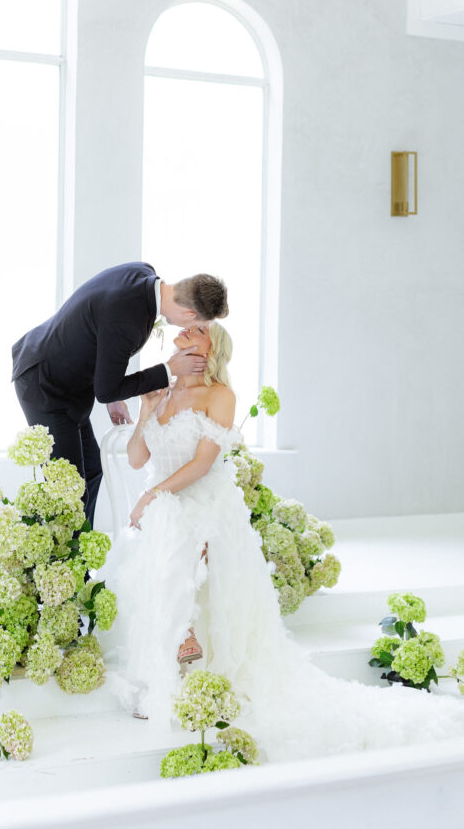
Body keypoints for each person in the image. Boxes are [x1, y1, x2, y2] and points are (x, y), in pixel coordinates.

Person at [98, 322, 464, 760]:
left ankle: (190, 658)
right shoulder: (162, 388)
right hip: (163, 504)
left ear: (210, 348)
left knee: (178, 533)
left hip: (203, 500)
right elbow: (138, 456)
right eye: (186, 325)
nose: (185, 329)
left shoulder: (220, 396)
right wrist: (145, 413)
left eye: (197, 329)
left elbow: (201, 465)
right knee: (165, 538)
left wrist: (152, 495)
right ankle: (170, 668)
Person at [11, 262, 228, 527]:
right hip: (45, 383)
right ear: (189, 312)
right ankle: (53, 562)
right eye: (198, 324)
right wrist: (168, 369)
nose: (188, 330)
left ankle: (79, 559)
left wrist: (114, 394)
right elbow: (105, 390)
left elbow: (99, 336)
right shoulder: (128, 319)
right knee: (67, 488)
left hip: (72, 381)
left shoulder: (142, 272)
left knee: (91, 470)